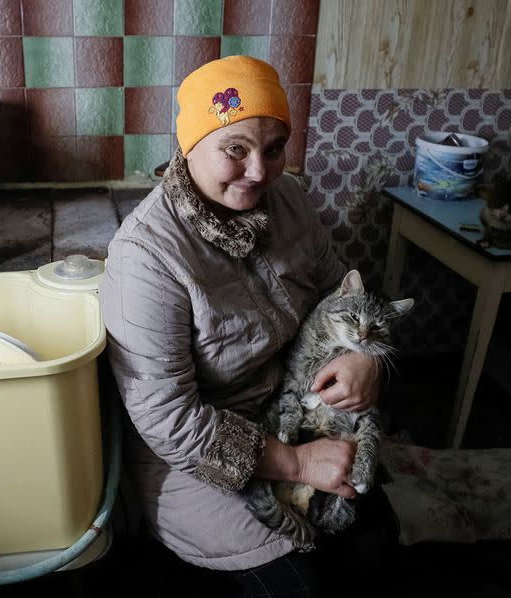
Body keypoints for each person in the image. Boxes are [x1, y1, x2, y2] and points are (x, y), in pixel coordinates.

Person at [99, 55, 390, 596]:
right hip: (199, 458)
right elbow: (168, 420)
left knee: (374, 540)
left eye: (274, 149)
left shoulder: (291, 201)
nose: (260, 171)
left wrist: (363, 358)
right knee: (302, 583)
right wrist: (297, 463)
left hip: (293, 410)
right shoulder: (146, 256)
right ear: (192, 147)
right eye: (236, 150)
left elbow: (339, 293)